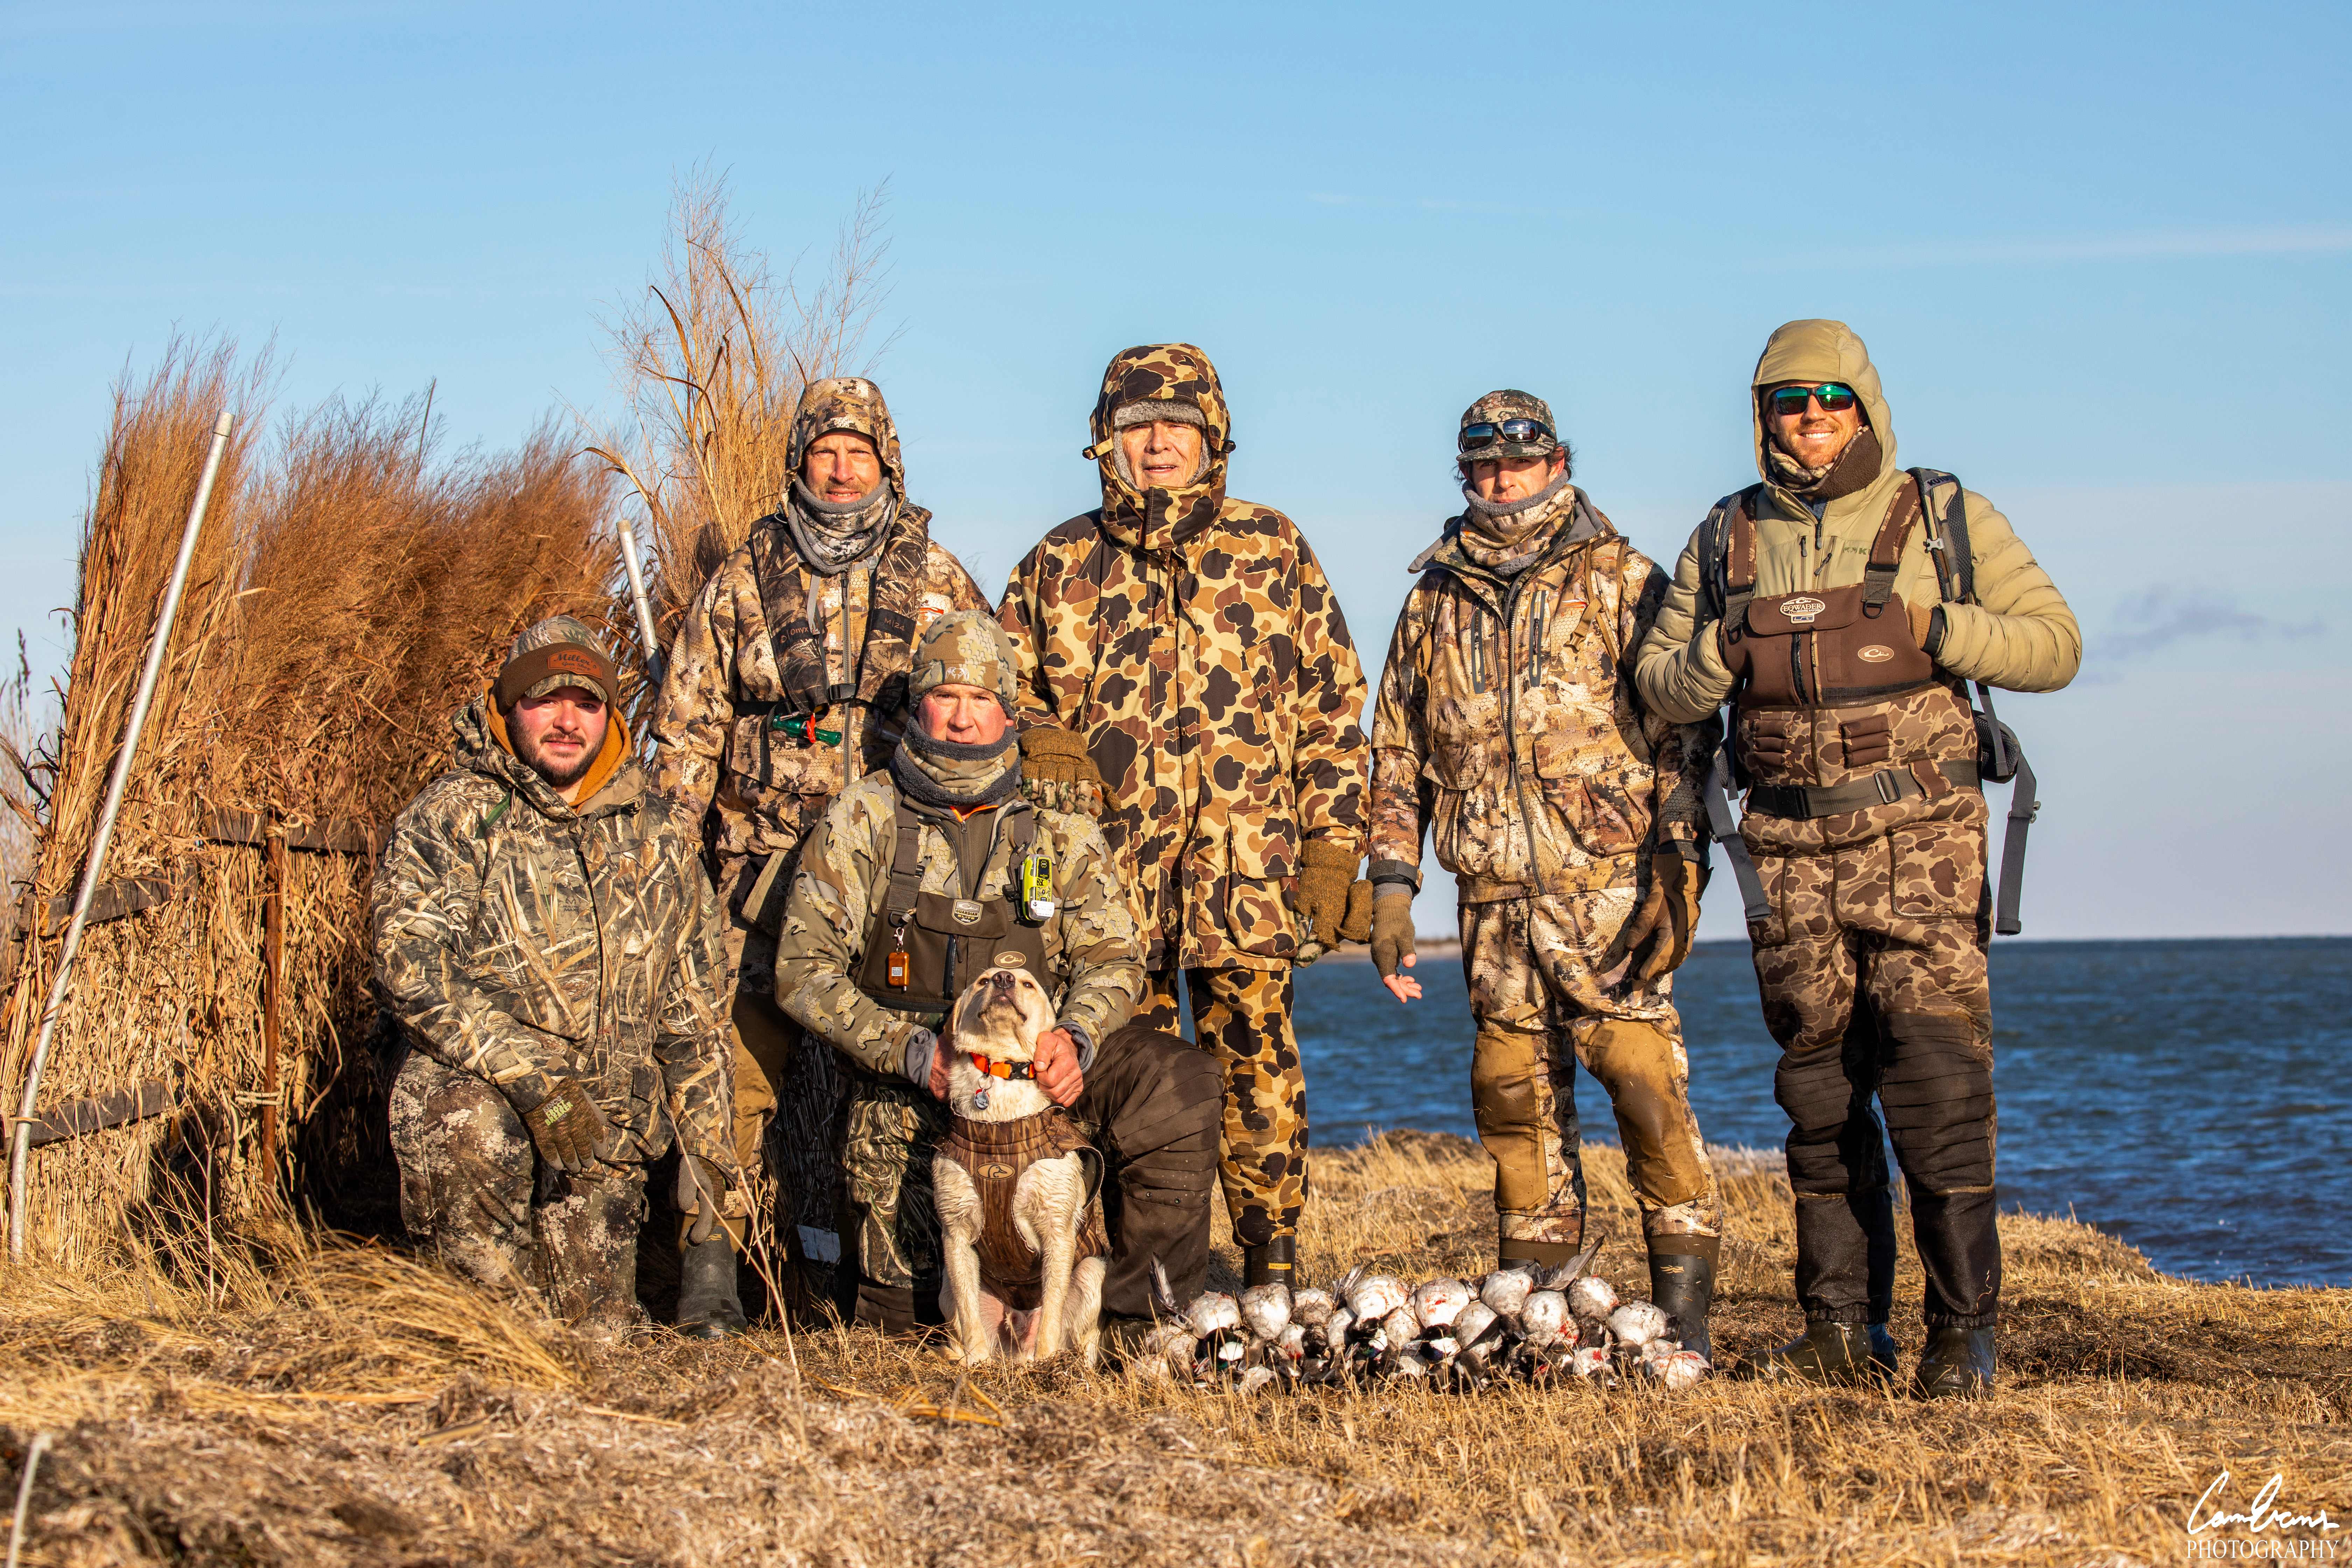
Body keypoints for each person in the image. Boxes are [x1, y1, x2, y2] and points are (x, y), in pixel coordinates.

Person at [1634, 320, 2080, 1396]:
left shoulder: (1942, 515)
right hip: (1786, 850)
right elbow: (1656, 680)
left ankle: (1963, 1333)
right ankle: (1841, 1326)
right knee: (1820, 1097)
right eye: (1790, 402)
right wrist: (1720, 654)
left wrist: (1937, 630)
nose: (1812, 418)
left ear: (1865, 405)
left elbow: (2055, 645)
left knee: (1934, 1083)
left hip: (1922, 844)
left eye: (1832, 398)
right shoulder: (1724, 535)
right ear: (1763, 416)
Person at [997, 344, 1371, 1288]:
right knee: (1137, 1087)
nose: (1157, 443)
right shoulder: (1058, 562)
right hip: (1110, 896)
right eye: (1136, 426)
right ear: (1105, 441)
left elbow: (1333, 711)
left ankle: (1272, 1271)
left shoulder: (1273, 547)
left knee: (1260, 1077)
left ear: (1213, 438)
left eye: (1177, 425)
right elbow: (998, 694)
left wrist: (1332, 853)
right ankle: (1150, 1278)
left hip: (1251, 877)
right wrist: (1039, 739)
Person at [1366, 391, 1727, 1358]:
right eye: (1480, 465)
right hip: (1492, 904)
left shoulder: (1624, 579)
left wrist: (1678, 861)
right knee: (1513, 1102)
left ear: (1558, 461)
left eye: (1518, 461)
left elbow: (1684, 737)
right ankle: (1537, 1321)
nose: (1500, 479)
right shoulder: (1432, 597)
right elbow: (1396, 751)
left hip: (1609, 893)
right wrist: (1393, 885)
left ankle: (1680, 1328)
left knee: (1644, 1086)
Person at [771, 611, 1222, 1337]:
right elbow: (801, 970)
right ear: (917, 706)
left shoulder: (1059, 823)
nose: (961, 718)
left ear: (1009, 711)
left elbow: (1114, 957)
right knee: (907, 1323)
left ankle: (1144, 1324)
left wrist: (1078, 1037)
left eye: (981, 699)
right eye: (945, 696)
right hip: (921, 1087)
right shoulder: (864, 816)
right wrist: (916, 1053)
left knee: (1178, 1080)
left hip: (1043, 1081)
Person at [654, 377, 990, 1293]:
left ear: (887, 462)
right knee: (732, 1069)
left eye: (860, 453)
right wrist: (671, 860)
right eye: (824, 453)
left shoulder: (940, 581)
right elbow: (688, 730)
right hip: (757, 875)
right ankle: (713, 1263)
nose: (842, 472)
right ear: (799, 462)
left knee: (894, 1077)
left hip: (897, 882)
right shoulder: (740, 584)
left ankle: (900, 1272)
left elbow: (992, 717)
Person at [375, 616, 742, 1337]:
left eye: (587, 701)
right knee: (465, 1125)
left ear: (611, 714)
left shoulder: (662, 836)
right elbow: (407, 964)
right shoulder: (456, 815)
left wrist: (709, 1204)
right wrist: (536, 1080)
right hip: (495, 1101)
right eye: (545, 699)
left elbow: (695, 1024)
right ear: (510, 706)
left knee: (598, 1340)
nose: (567, 720)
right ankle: (473, 1329)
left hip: (602, 1129)